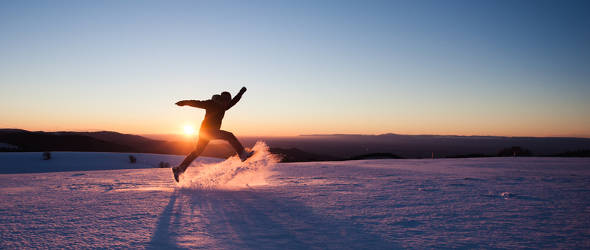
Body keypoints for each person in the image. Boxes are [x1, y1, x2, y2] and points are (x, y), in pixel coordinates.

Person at [172, 87, 253, 182]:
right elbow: (197, 103)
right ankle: (242, 154)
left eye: (228, 102)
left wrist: (241, 92)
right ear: (222, 100)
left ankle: (179, 169)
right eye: (225, 101)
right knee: (229, 135)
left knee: (197, 151)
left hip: (205, 132)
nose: (227, 104)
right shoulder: (211, 103)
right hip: (207, 131)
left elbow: (235, 100)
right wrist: (184, 102)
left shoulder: (225, 106)